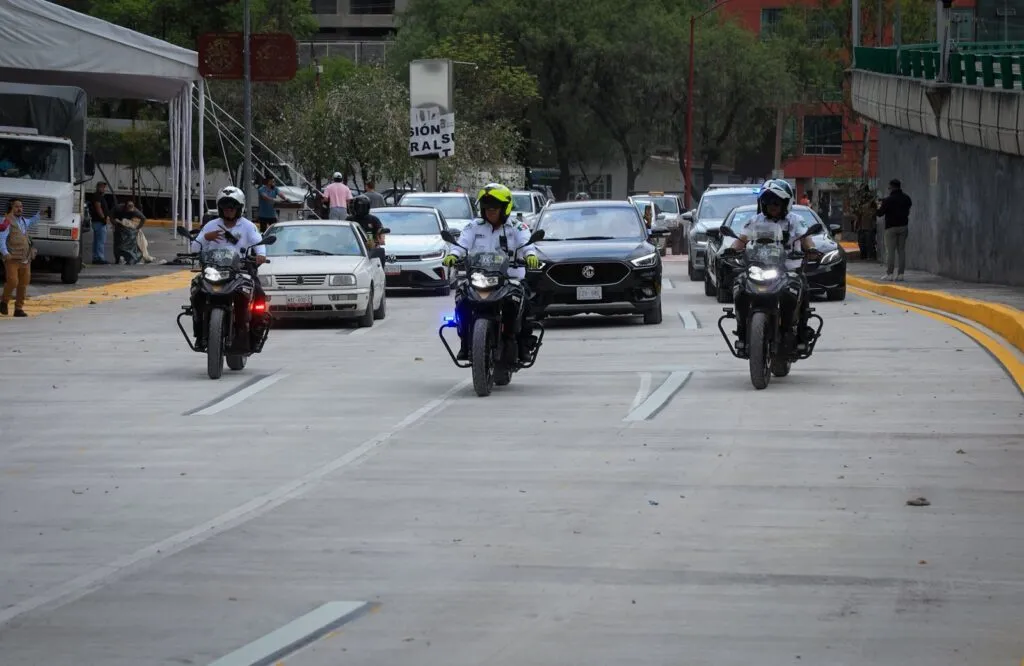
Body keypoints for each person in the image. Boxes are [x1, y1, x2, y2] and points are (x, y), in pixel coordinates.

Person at [442, 183, 540, 361]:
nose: (490, 212)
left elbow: (527, 244)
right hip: (479, 278)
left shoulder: (518, 227)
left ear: (504, 208)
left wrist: (530, 255)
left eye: (494, 208)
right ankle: (466, 342)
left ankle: (521, 344)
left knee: (524, 303)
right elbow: (462, 245)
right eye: (487, 208)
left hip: (510, 279)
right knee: (462, 299)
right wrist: (453, 255)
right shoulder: (474, 226)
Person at [730, 179, 818, 353]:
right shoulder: (755, 220)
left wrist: (812, 249)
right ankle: (742, 330)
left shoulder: (796, 220)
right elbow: (741, 240)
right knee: (739, 287)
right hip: (759, 268)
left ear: (786, 203)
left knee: (801, 287)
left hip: (789, 269)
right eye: (768, 201)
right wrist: (730, 251)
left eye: (776, 201)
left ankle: (800, 330)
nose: (772, 205)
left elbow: (806, 239)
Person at [189, 186, 269, 349]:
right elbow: (194, 248)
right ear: (220, 208)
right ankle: (199, 331)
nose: (229, 210)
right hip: (213, 270)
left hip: (239, 270)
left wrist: (261, 255)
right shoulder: (211, 225)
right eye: (225, 207)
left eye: (232, 207)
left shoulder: (248, 226)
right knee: (196, 291)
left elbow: (257, 242)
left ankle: (255, 332)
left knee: (259, 294)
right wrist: (205, 237)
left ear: (239, 208)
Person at [0, 198, 50, 317]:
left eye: (21, 207)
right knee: (13, 281)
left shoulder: (23, 221)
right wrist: (4, 252)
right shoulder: (6, 221)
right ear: (11, 208)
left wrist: (40, 214)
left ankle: (18, 309)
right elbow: (1, 238)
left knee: (23, 284)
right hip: (12, 258)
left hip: (25, 258)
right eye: (17, 207)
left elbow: (32, 221)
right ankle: (4, 301)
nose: (20, 209)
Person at [875, 178, 912, 281]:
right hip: (903, 226)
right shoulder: (907, 198)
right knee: (901, 251)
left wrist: (879, 205)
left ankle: (890, 274)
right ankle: (901, 274)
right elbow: (908, 209)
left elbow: (880, 213)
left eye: (889, 187)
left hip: (891, 228)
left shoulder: (888, 200)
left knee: (890, 251)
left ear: (891, 187)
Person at [112, 199, 146, 265]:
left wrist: (138, 228)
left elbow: (143, 218)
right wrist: (114, 223)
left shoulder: (135, 211)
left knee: (128, 243)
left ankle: (129, 258)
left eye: (130, 211)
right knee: (118, 244)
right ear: (125, 207)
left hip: (126, 228)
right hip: (118, 226)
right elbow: (111, 215)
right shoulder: (118, 208)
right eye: (128, 210)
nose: (129, 212)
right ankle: (118, 259)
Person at [852, 183, 878, 261]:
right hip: (861, 225)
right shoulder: (860, 201)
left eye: (862, 191)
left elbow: (874, 213)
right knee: (862, 243)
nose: (861, 193)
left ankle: (870, 257)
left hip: (869, 225)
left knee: (869, 243)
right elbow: (858, 213)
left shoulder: (871, 201)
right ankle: (864, 257)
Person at [89, 182, 111, 264]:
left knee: (97, 240)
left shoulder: (99, 196)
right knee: (100, 241)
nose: (104, 189)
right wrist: (103, 218)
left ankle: (96, 257)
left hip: (98, 221)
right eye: (102, 187)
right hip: (99, 221)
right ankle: (99, 257)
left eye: (104, 187)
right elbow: (98, 208)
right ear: (98, 187)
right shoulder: (97, 196)